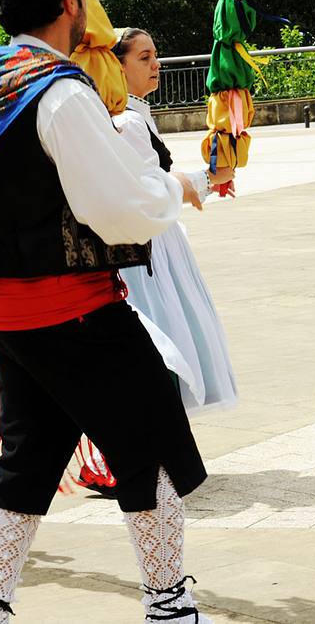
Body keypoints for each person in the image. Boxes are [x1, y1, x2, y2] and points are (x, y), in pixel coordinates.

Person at [0, 0, 211, 623]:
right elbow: (112, 205)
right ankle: (169, 604)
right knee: (149, 443)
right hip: (72, 308)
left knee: (29, 460)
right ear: (71, 2)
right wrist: (176, 187)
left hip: (6, 308)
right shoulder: (58, 90)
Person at [113, 28, 240, 414]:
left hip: (160, 243)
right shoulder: (126, 122)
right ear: (116, 66)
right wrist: (206, 179)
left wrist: (207, 179)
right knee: (161, 339)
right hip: (144, 249)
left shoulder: (136, 115)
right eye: (144, 57)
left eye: (156, 54)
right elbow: (151, 188)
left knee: (170, 336)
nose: (157, 64)